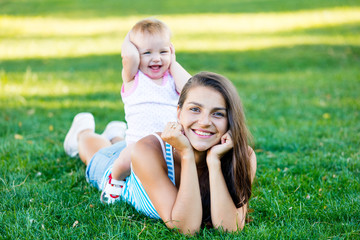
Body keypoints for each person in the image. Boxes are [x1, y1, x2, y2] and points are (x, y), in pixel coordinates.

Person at [64, 72, 257, 234]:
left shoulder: (242, 156)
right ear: (179, 112)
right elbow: (186, 228)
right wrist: (187, 154)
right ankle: (83, 132)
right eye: (195, 109)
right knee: (96, 152)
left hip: (134, 148)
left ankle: (116, 135)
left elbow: (230, 228)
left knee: (122, 143)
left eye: (218, 113)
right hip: (116, 162)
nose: (205, 121)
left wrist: (214, 162)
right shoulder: (147, 150)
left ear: (231, 119)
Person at [64, 17, 191, 204]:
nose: (156, 58)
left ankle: (115, 134)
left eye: (163, 51)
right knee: (125, 159)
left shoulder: (172, 79)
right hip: (137, 145)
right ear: (136, 53)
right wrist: (131, 36)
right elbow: (129, 57)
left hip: (166, 145)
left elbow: (192, 88)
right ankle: (113, 181)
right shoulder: (134, 78)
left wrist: (171, 60)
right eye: (147, 52)